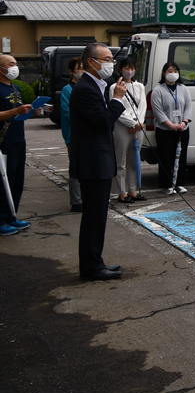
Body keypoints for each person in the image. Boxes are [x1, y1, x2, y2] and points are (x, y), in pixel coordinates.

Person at [69, 43, 127, 280]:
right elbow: (102, 121)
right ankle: (91, 267)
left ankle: (95, 261)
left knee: (98, 216)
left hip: (99, 160)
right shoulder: (85, 89)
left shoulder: (96, 86)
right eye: (106, 59)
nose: (111, 63)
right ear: (91, 62)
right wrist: (117, 100)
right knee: (94, 217)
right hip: (93, 162)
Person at [0, 54, 41, 236]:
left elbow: (17, 112)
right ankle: (1, 219)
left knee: (17, 180)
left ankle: (11, 216)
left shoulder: (15, 87)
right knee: (3, 181)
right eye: (11, 64)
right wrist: (15, 110)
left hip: (18, 138)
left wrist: (29, 110)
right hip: (3, 140)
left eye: (16, 63)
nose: (15, 67)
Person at [109, 58, 146, 203]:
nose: (129, 71)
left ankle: (132, 190)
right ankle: (121, 192)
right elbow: (117, 108)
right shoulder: (114, 87)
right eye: (126, 67)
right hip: (122, 127)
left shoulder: (140, 86)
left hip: (138, 127)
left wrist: (139, 123)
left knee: (134, 160)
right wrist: (131, 123)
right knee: (120, 161)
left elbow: (142, 105)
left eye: (131, 68)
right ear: (120, 69)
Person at [151, 63, 192, 195]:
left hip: (182, 128)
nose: (173, 73)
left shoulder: (183, 89)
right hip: (165, 130)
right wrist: (170, 124)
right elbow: (158, 111)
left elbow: (188, 107)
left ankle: (179, 183)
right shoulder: (158, 90)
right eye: (170, 70)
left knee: (181, 156)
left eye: (175, 70)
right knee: (166, 157)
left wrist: (184, 122)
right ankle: (167, 184)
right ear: (164, 73)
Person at [60, 57, 84, 212]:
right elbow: (68, 113)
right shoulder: (67, 89)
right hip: (74, 136)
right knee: (75, 169)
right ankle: (76, 201)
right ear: (71, 71)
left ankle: (86, 197)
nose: (81, 71)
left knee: (88, 169)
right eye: (79, 68)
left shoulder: (87, 86)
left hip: (89, 136)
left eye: (84, 68)